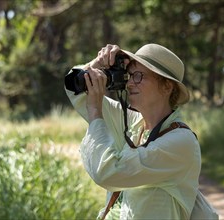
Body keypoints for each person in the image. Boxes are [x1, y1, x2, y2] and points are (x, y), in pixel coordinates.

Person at [65, 44, 202, 219]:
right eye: (129, 75)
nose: (129, 83)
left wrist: (95, 110)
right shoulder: (132, 122)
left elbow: (107, 173)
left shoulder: (181, 142)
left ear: (167, 86)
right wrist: (97, 64)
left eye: (139, 76)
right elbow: (74, 90)